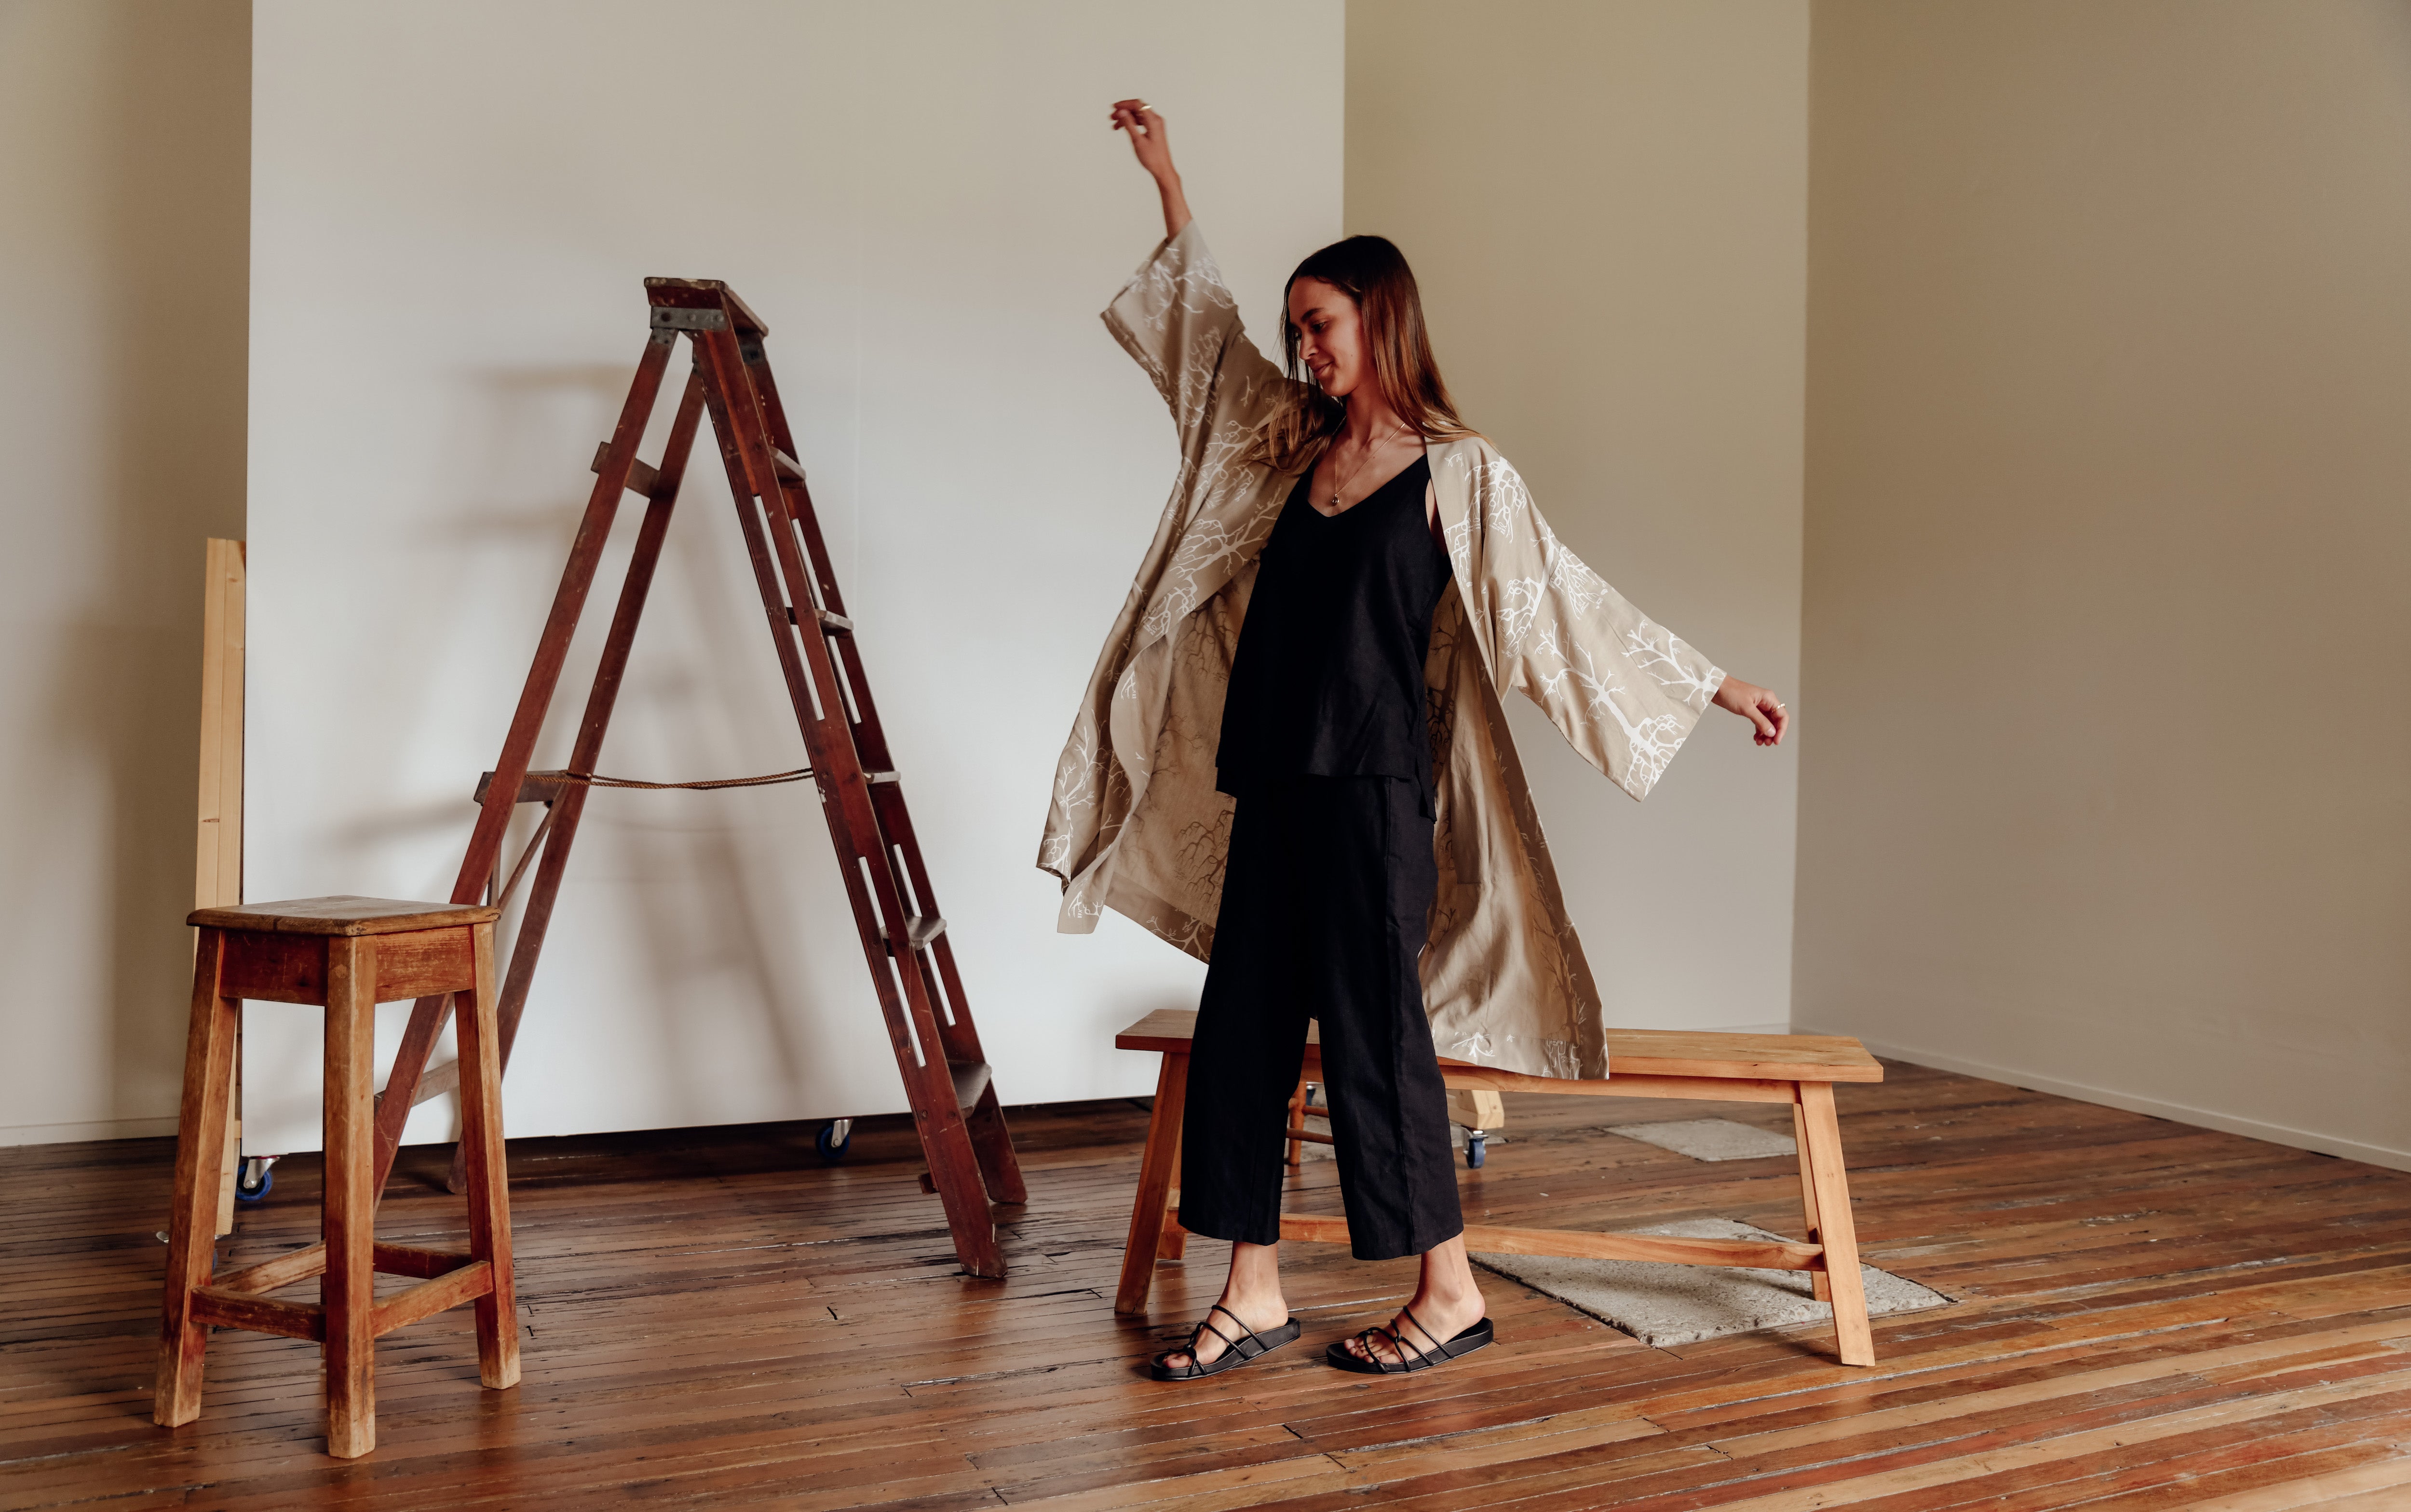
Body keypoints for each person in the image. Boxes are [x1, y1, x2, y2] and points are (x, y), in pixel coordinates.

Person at [1059, 99, 1790, 1380]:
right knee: (1244, 1029)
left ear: (1381, 323)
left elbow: (1563, 603)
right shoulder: (1280, 451)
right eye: (1298, 328)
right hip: (1272, 786)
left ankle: (1447, 1290)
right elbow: (1204, 349)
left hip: (1374, 798)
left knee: (1373, 1040)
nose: (1303, 347)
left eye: (1322, 325)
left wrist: (1715, 683)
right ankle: (1253, 1290)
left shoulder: (1459, 475)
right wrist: (1170, 181)